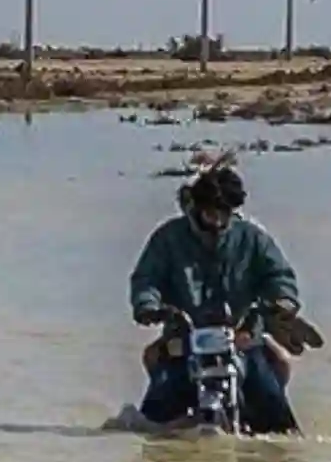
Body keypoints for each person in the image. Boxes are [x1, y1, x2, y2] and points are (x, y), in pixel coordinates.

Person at [130, 164, 319, 435]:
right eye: (210, 212)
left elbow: (278, 275)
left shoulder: (253, 238)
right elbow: (146, 279)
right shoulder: (168, 238)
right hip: (185, 338)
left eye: (223, 213)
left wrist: (282, 302)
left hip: (243, 338)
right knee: (153, 416)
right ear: (195, 207)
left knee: (274, 407)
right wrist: (148, 306)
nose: (216, 222)